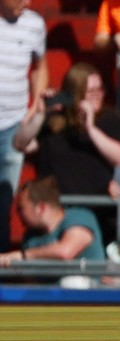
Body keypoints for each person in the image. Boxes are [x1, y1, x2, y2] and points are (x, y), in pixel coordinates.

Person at [13, 63, 120, 199]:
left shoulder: (111, 120)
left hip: (97, 205)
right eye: (91, 91)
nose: (97, 95)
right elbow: (20, 144)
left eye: (100, 89)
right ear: (75, 93)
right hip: (56, 206)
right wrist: (40, 114)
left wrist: (91, 129)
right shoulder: (54, 121)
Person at [0, 0, 46, 252]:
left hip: (13, 127)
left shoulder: (34, 24)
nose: (26, 2)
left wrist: (35, 103)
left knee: (4, 200)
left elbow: (40, 66)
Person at [0, 176, 105, 271]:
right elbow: (31, 279)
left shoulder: (80, 217)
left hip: (87, 289)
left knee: (72, 282)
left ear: (41, 208)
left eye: (21, 208)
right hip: (48, 291)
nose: (17, 214)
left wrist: (22, 256)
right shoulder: (31, 238)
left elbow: (66, 252)